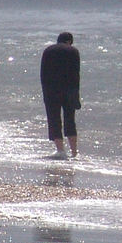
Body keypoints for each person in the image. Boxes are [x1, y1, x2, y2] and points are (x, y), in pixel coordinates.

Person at [40, 31, 81, 159]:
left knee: (54, 119)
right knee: (70, 120)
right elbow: (76, 74)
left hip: (51, 90)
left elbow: (43, 73)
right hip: (69, 90)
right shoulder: (73, 51)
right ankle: (74, 152)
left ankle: (61, 151)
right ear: (69, 41)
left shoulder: (48, 51)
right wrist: (76, 94)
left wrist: (45, 92)